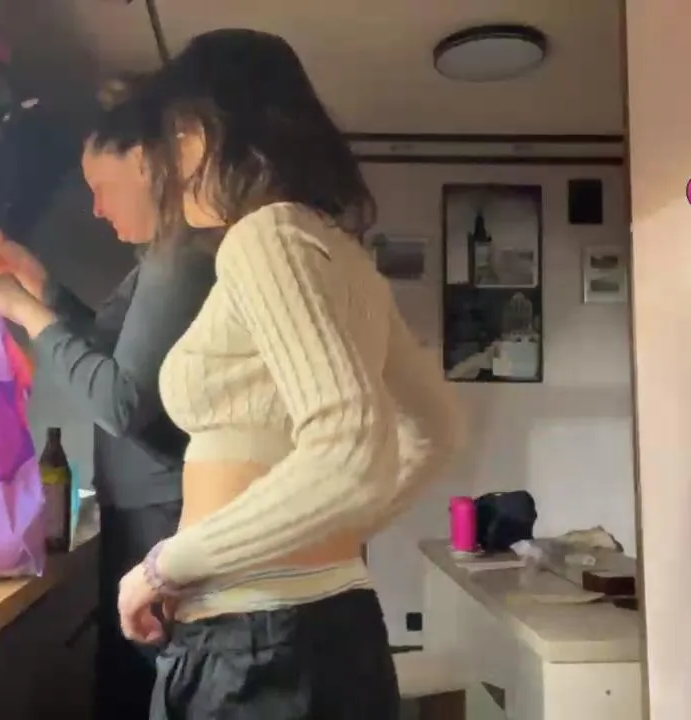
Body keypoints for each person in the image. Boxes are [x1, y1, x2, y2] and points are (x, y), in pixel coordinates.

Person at [112, 29, 467, 719]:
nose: (169, 168)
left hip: (255, 649)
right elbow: (437, 431)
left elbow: (349, 449)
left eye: (173, 139)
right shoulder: (342, 255)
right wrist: (319, 529)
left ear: (204, 131)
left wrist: (166, 565)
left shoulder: (265, 236)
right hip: (328, 628)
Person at [0, 76, 216, 719]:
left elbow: (120, 401)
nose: (95, 208)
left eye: (101, 186)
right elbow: (113, 351)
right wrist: (37, 284)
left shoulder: (181, 258)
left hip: (165, 508)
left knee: (150, 686)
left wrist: (19, 307)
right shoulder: (159, 260)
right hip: (149, 504)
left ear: (145, 162)